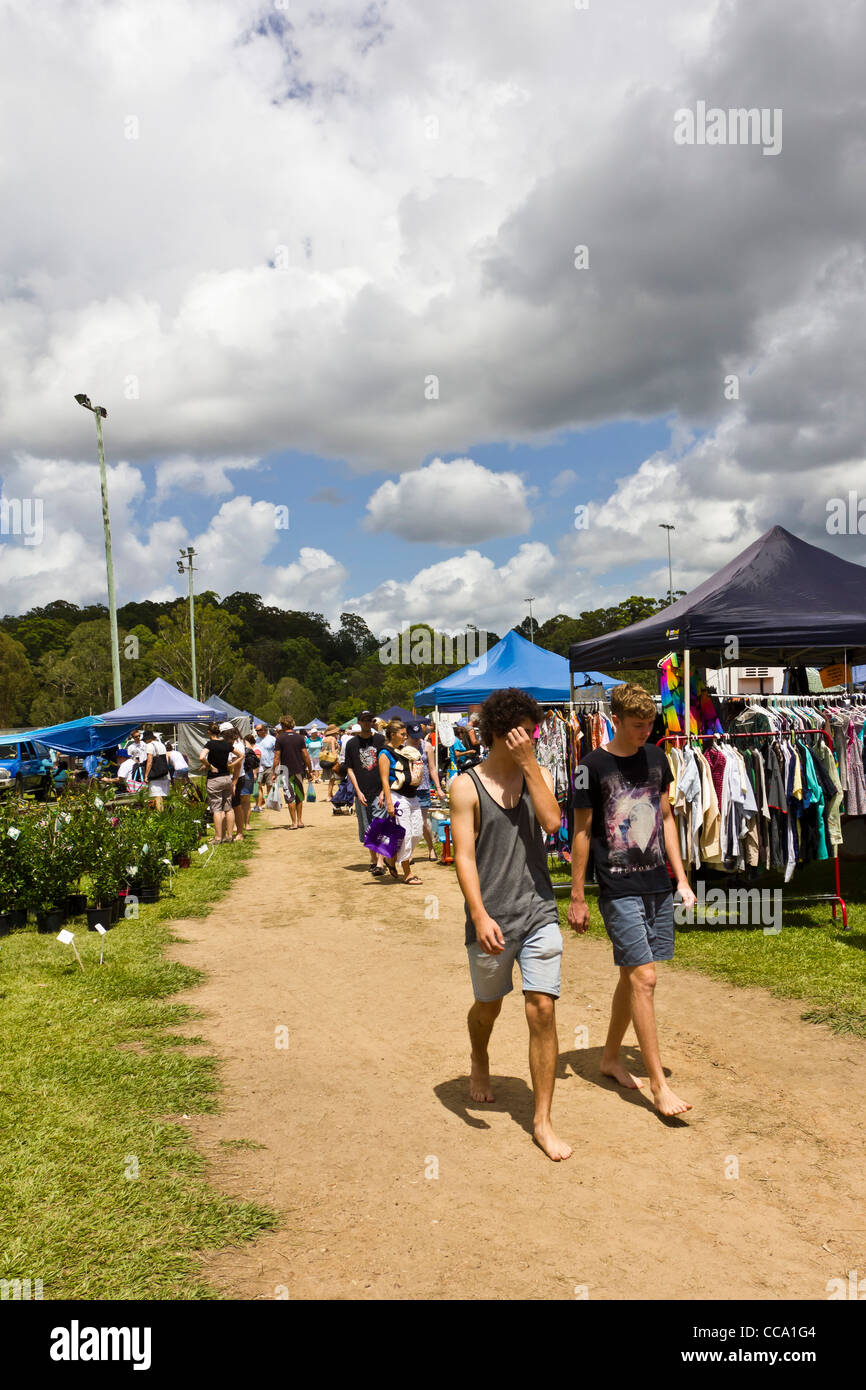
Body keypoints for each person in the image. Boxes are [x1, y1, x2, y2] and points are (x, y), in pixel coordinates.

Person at [449, 687, 571, 1162]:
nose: (534, 736)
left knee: (542, 1008)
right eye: (525, 730)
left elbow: (553, 822)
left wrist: (530, 766)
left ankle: (542, 1120)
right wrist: (479, 914)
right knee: (488, 1006)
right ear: (501, 731)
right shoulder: (466, 786)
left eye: (534, 729)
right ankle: (480, 1058)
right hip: (491, 918)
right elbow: (463, 856)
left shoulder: (532, 774)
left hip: (538, 910)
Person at [568, 682, 697, 1118]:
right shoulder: (591, 766)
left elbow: (665, 819)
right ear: (617, 720)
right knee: (645, 979)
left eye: (650, 725)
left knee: (632, 977)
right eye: (638, 725)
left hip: (658, 884)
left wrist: (681, 878)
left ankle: (608, 1058)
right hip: (618, 887)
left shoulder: (659, 758)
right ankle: (659, 1087)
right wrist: (578, 895)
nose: (646, 732)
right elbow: (582, 832)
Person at [377, 719, 425, 884]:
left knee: (417, 832)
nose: (406, 737)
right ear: (392, 734)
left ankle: (391, 859)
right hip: (397, 795)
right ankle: (408, 873)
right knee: (405, 834)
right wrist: (389, 802)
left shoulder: (404, 750)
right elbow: (384, 780)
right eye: (402, 734)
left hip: (412, 795)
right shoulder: (384, 753)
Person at [344, 711, 385, 874]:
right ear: (359, 722)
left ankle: (381, 863)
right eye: (365, 720)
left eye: (370, 720)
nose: (368, 723)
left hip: (378, 790)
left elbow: (386, 765)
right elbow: (350, 769)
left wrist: (384, 791)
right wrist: (358, 791)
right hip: (361, 792)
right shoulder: (352, 744)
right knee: (367, 829)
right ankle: (374, 859)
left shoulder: (380, 740)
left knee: (379, 826)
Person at [200, 721, 243, 842]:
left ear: (209, 732)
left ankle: (218, 837)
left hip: (214, 779)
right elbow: (241, 755)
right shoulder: (226, 744)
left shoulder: (210, 744)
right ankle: (229, 836)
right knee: (228, 808)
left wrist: (210, 766)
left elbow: (202, 757)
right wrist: (231, 765)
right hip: (226, 778)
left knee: (217, 809)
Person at [406, 722, 442, 861]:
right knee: (408, 822)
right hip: (408, 788)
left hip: (423, 787)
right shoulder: (403, 747)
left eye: (418, 736)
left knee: (422, 821)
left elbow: (432, 768)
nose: (417, 739)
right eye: (414, 736)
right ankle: (409, 852)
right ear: (408, 734)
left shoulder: (426, 746)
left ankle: (431, 848)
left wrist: (438, 788)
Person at [273, 716, 313, 829]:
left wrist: (274, 772)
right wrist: (310, 771)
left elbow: (276, 757)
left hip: (286, 771)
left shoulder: (280, 738)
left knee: (289, 796)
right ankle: (300, 821)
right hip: (299, 770)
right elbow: (306, 756)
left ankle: (294, 822)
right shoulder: (300, 738)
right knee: (299, 795)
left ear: (283, 725)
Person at [231, 733, 259, 838]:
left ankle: (235, 826)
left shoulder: (234, 747)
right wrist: (255, 774)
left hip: (239, 775)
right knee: (246, 801)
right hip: (249, 774)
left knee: (236, 801)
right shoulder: (248, 748)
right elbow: (256, 762)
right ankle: (247, 824)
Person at [142, 727, 171, 809]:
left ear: (147, 739)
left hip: (156, 774)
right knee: (162, 795)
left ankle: (160, 816)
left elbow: (149, 761)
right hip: (164, 772)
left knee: (157, 795)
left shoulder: (149, 746)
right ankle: (164, 812)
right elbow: (166, 758)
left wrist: (146, 775)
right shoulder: (161, 744)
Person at [254, 723, 276, 808]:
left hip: (270, 765)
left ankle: (269, 802)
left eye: (259, 730)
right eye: (256, 730)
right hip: (259, 766)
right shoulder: (256, 740)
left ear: (264, 730)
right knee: (258, 784)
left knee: (269, 784)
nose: (257, 732)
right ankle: (260, 802)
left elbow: (277, 752)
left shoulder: (272, 739)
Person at [319, 724, 340, 797]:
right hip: (332, 760)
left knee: (332, 778)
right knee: (333, 778)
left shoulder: (324, 739)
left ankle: (330, 794)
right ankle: (329, 795)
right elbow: (333, 750)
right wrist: (336, 759)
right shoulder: (332, 739)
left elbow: (322, 749)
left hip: (326, 759)